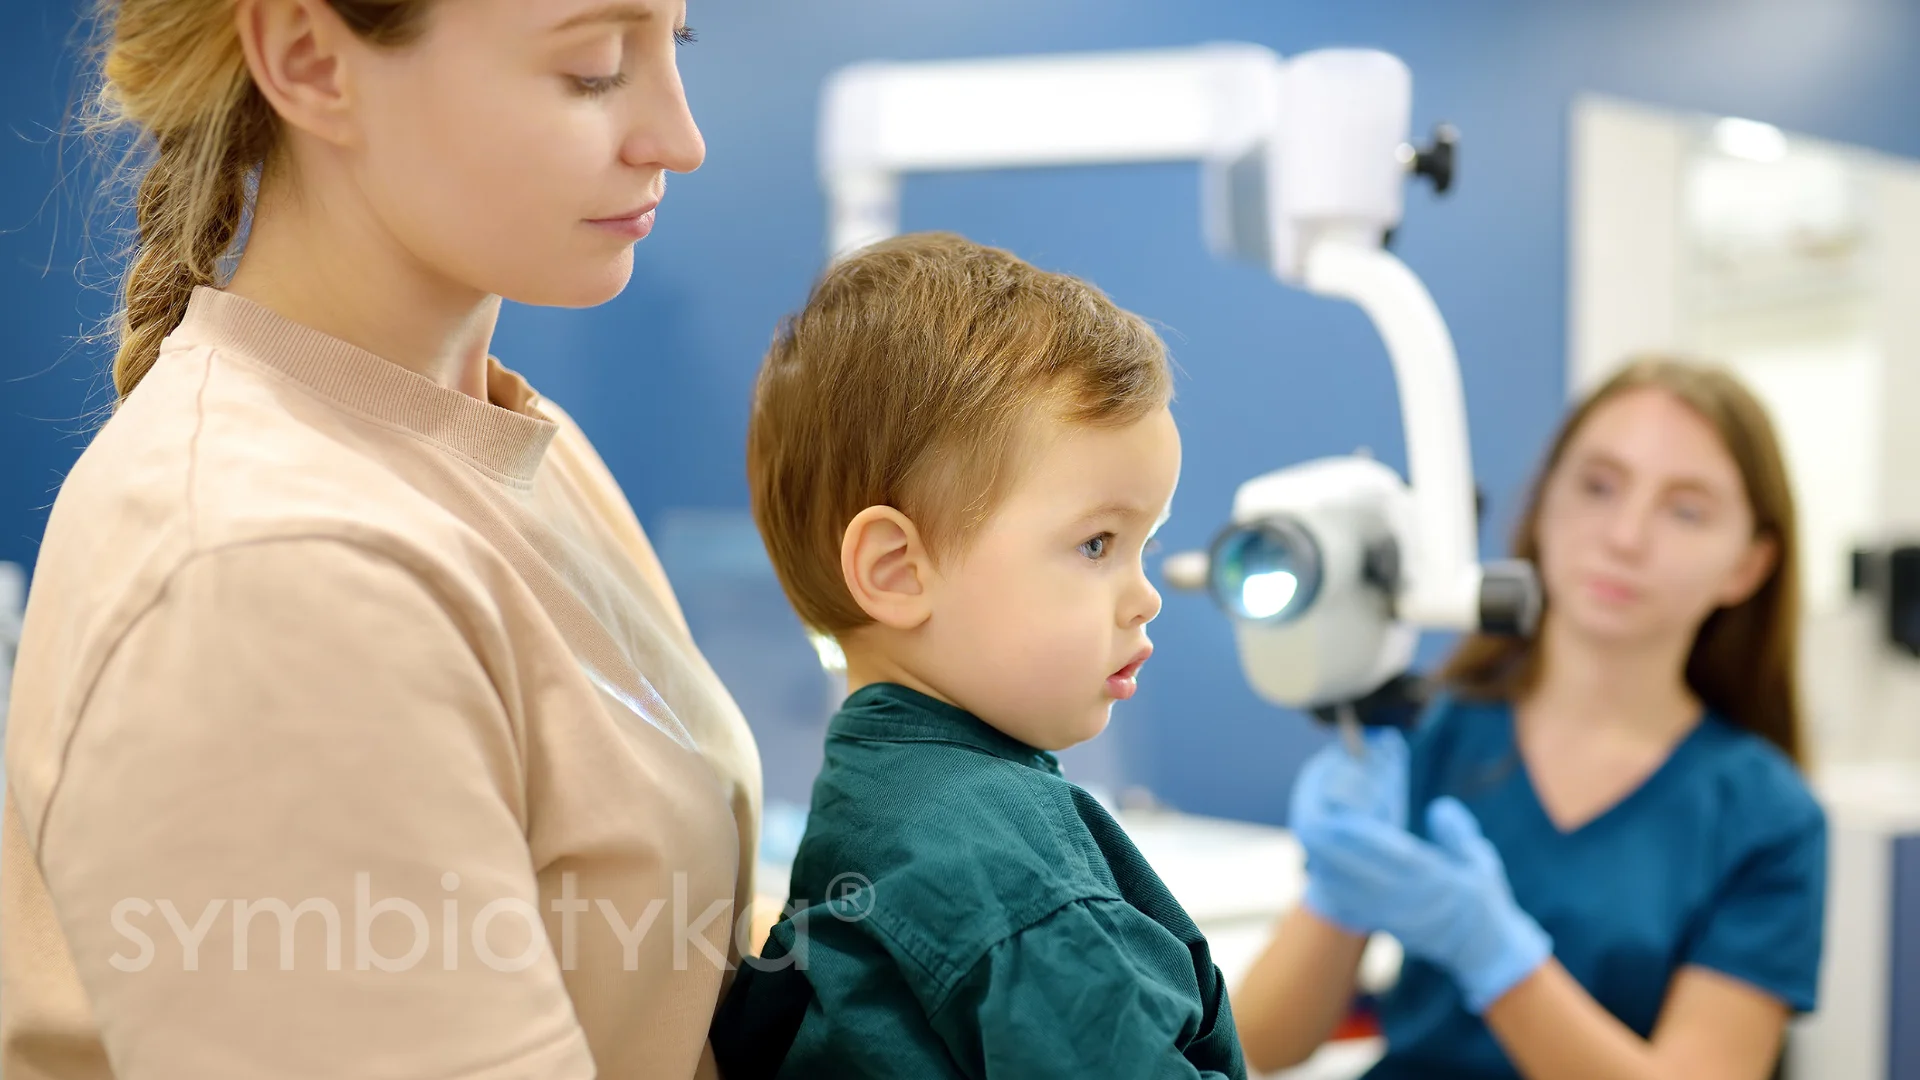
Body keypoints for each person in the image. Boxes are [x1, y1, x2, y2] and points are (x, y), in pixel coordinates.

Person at [2, 2, 765, 1077]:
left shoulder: (506, 440)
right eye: (595, 68)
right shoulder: (268, 573)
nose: (677, 138)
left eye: (670, 47)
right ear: (313, 61)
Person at [707, 232, 1246, 1079]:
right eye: (1098, 544)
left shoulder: (874, 795)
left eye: (1146, 544)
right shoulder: (1009, 874)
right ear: (897, 571)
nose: (1145, 596)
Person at [1232, 358, 1827, 1080]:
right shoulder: (1428, 734)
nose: (1626, 536)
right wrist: (1337, 887)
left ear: (1749, 566)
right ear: (1545, 505)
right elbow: (1257, 1045)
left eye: (1686, 509)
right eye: (1598, 487)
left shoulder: (1767, 815)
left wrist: (1496, 954)